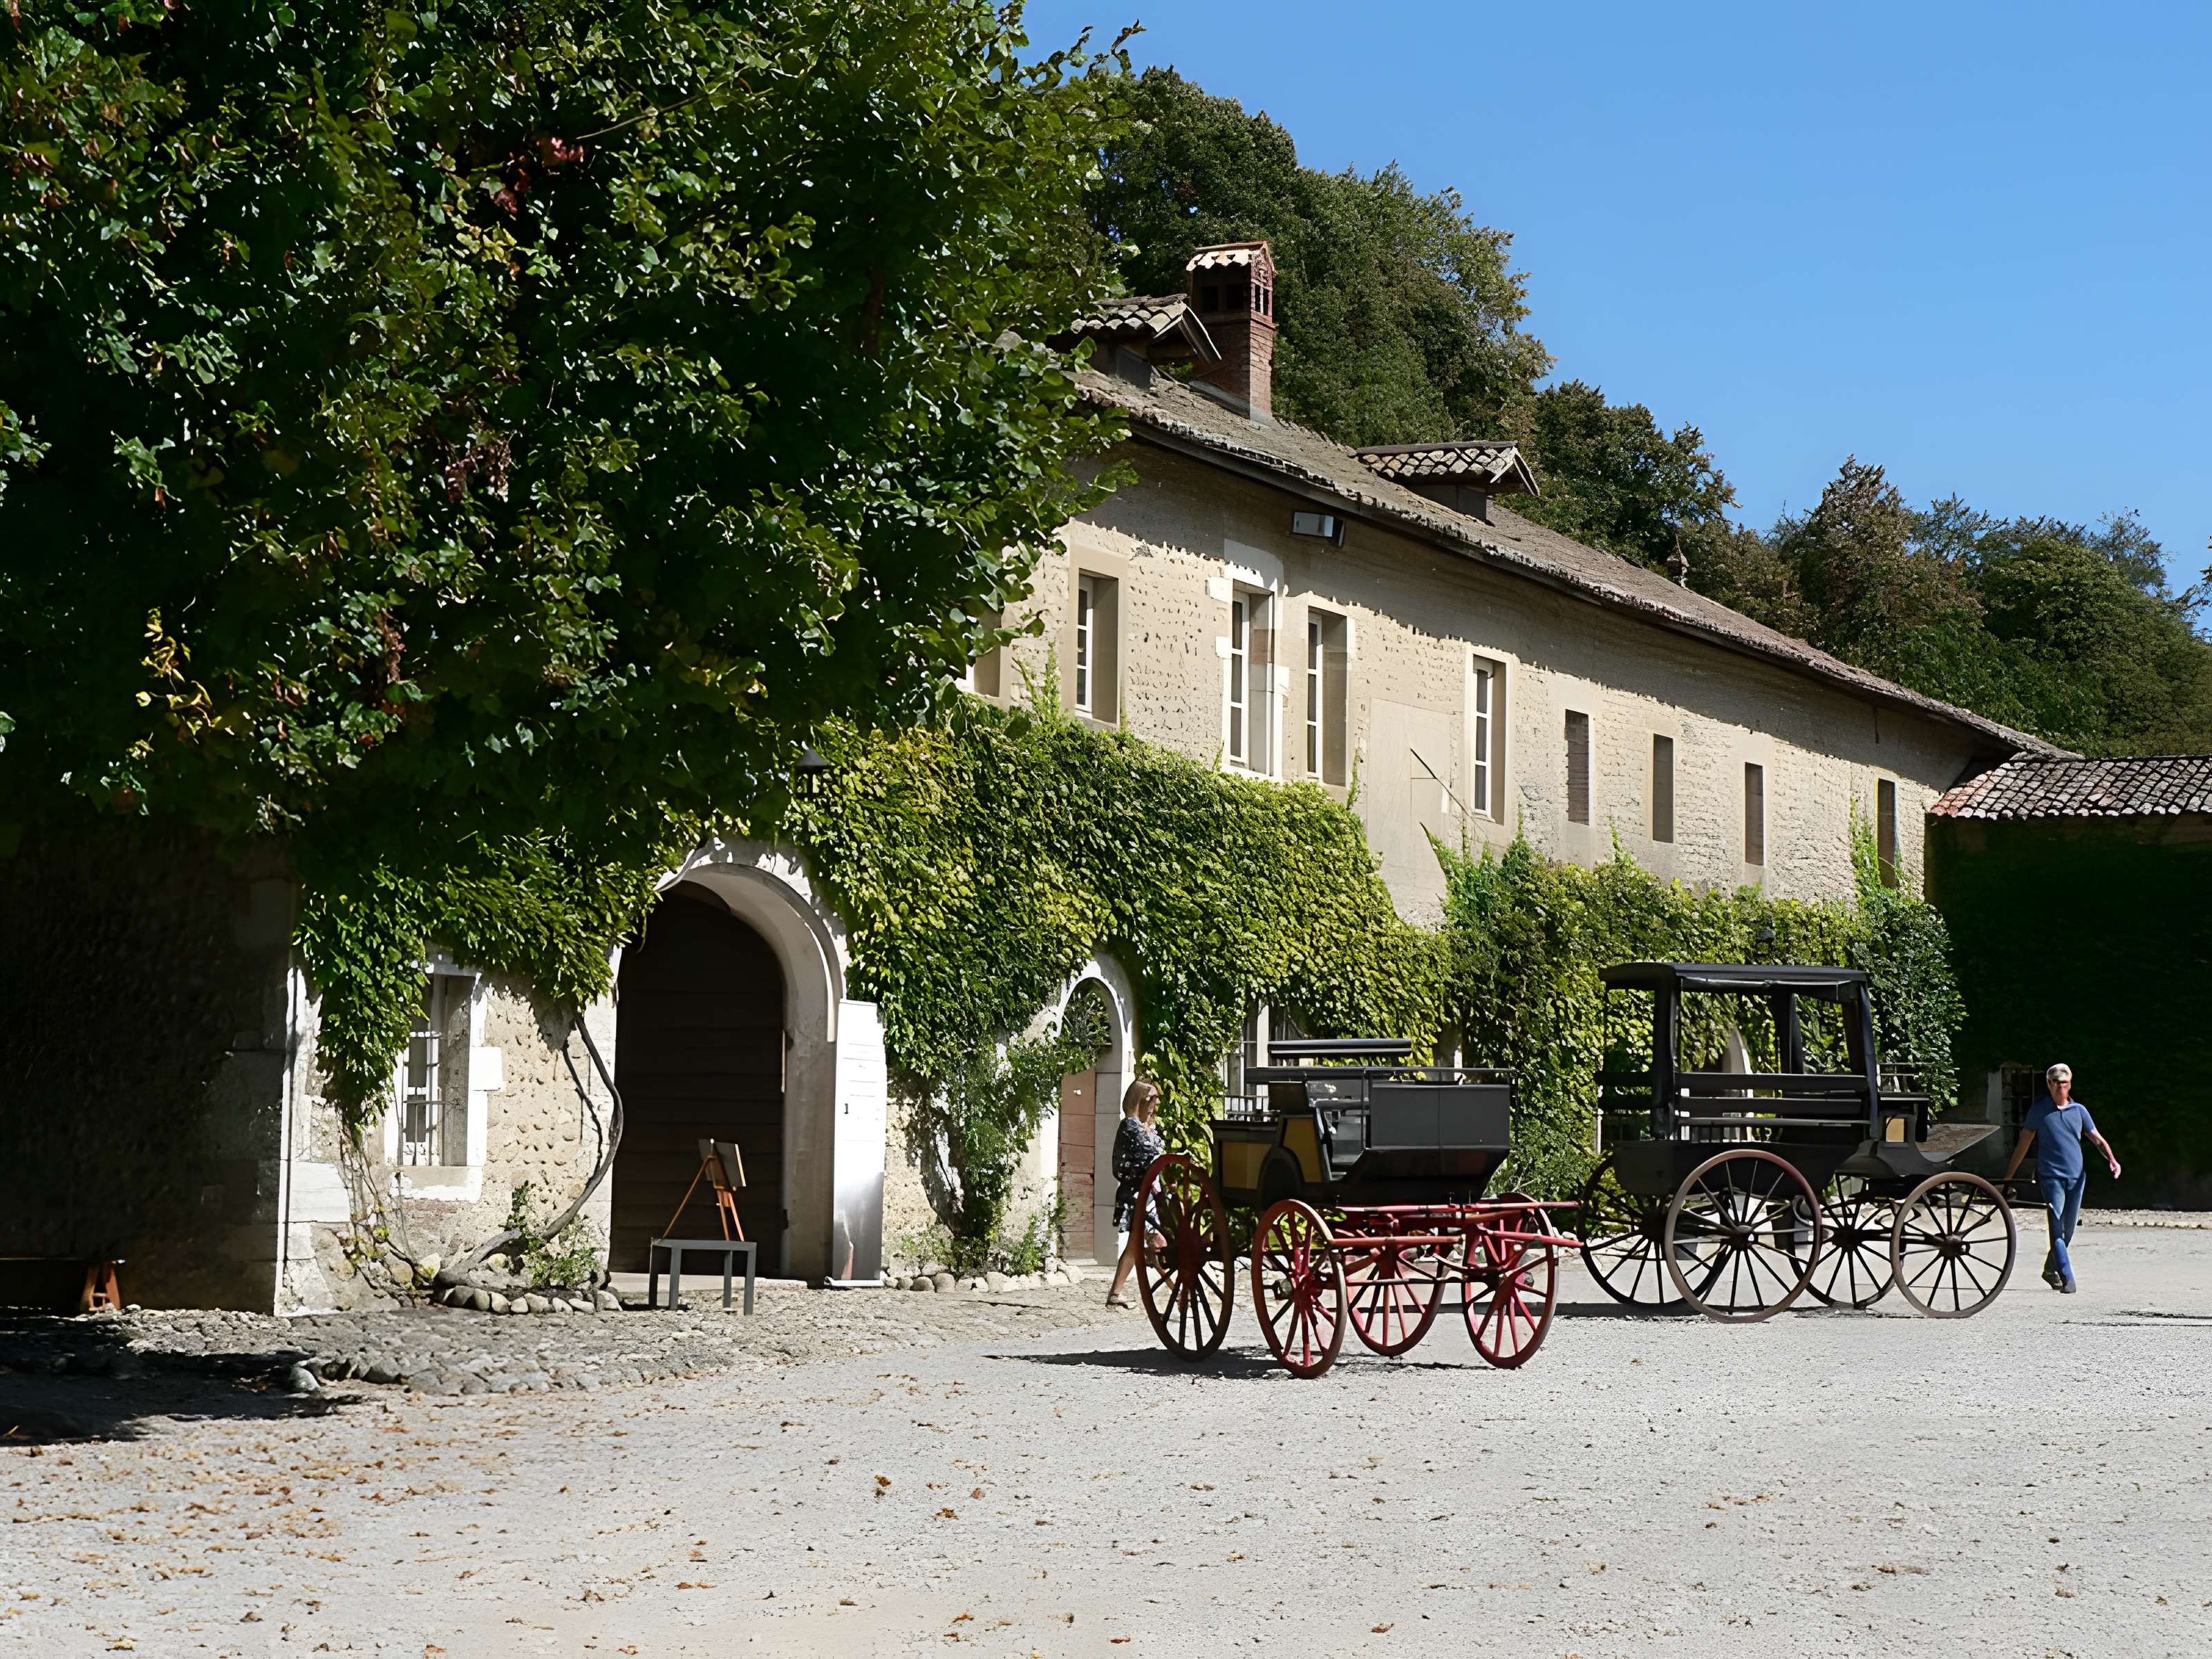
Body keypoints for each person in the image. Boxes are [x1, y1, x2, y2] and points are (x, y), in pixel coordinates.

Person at [2001, 1062, 2121, 1293]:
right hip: (2051, 1177)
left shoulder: (2079, 1111)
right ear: (2049, 1083)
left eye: (2064, 1083)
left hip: (2077, 1178)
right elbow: (2023, 1145)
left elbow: (2096, 1139)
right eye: (2055, 1082)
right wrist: (2008, 1177)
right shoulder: (2040, 1111)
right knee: (2056, 1225)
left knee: (2069, 1230)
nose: (2060, 1087)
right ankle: (2068, 1277)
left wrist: (2112, 1160)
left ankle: (2049, 1269)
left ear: (2070, 1084)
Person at [1105, 1079, 1165, 1309]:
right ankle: (1178, 1291)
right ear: (1138, 1101)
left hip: (1152, 1193)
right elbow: (1131, 1161)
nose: (1154, 1106)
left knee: (1143, 1246)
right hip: (1137, 1194)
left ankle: (1116, 1294)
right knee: (1145, 1244)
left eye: (1155, 1100)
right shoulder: (1130, 1128)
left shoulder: (1149, 1128)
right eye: (1150, 1100)